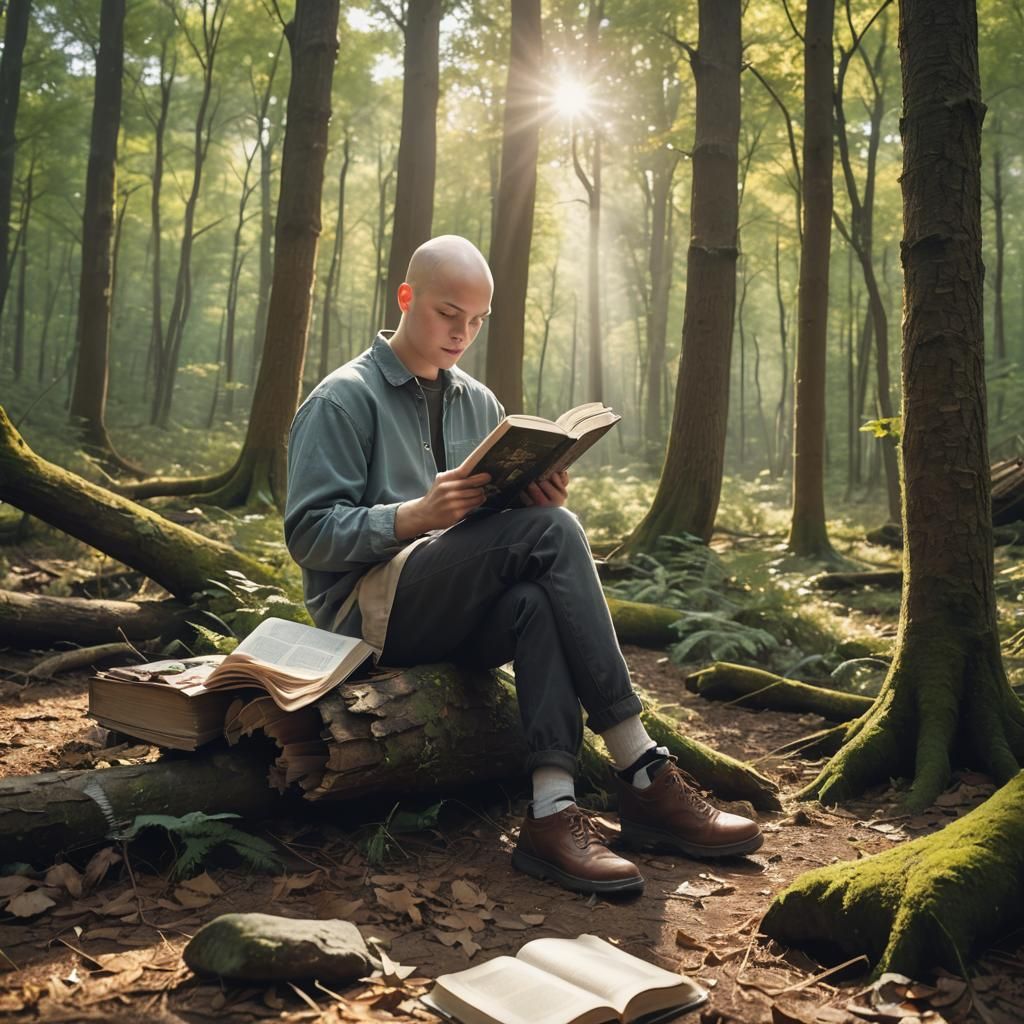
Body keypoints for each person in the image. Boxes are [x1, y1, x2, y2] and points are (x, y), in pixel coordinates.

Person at [284, 235, 762, 896]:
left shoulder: (480, 403)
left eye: (477, 321)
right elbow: (308, 535)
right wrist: (414, 515)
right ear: (406, 298)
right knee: (555, 533)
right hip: (368, 616)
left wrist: (533, 497)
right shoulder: (341, 399)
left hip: (454, 608)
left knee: (538, 596)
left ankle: (551, 810)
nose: (462, 333)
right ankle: (641, 765)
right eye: (448, 314)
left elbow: (489, 534)